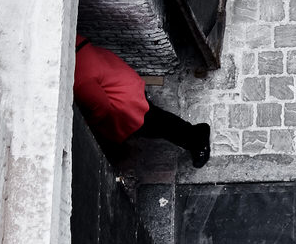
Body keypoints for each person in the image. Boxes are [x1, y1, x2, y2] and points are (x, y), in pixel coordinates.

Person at [73, 35, 211, 166]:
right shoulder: (75, 44)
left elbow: (101, 109)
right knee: (158, 120)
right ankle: (194, 136)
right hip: (123, 81)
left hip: (125, 103)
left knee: (159, 125)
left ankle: (196, 137)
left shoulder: (80, 78)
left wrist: (86, 124)